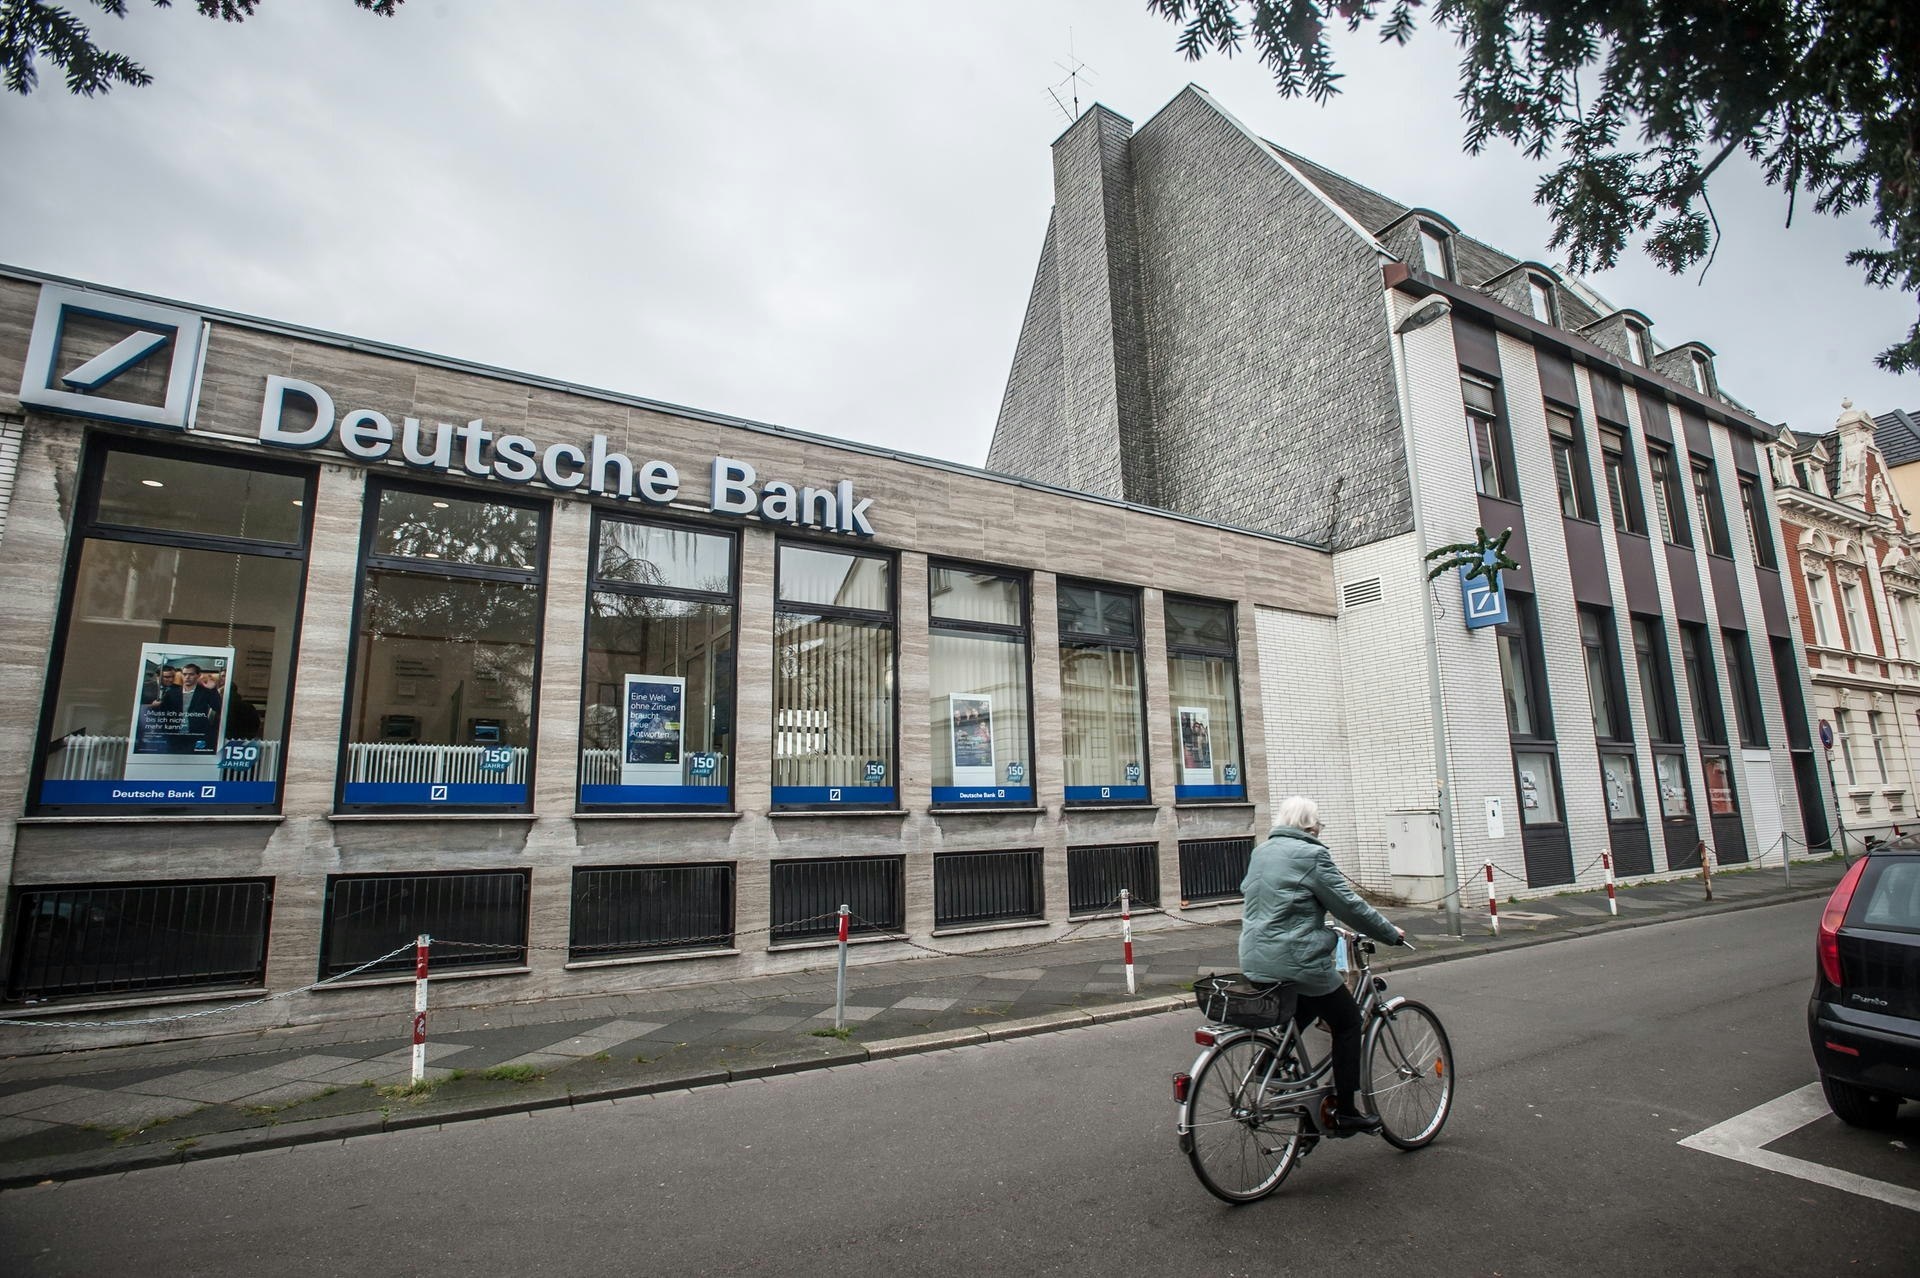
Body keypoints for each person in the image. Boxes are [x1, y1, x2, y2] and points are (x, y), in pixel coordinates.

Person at [1239, 794, 1404, 1135]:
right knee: (1347, 1022)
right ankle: (1346, 1111)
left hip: (1254, 956)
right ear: (1311, 826)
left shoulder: (1261, 852)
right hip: (1295, 961)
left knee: (1304, 1009)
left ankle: (1269, 1064)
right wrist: (1390, 934)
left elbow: (1273, 901)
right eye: (1319, 825)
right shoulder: (1313, 855)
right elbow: (1350, 906)